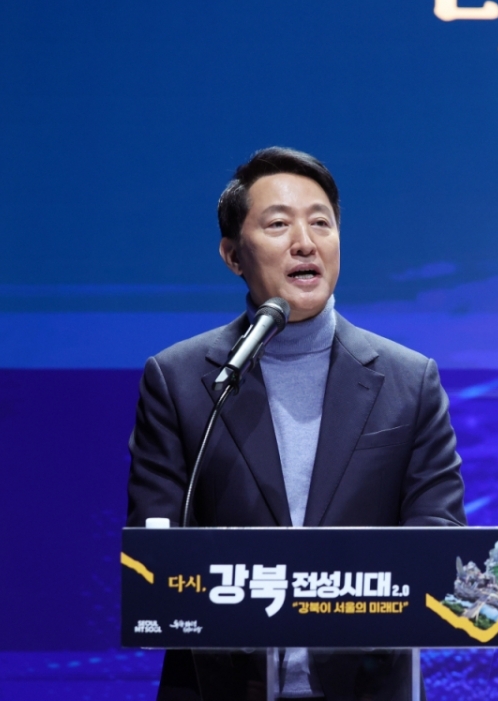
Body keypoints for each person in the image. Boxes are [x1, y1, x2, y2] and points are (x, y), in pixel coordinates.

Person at [127, 147, 467, 701]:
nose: (305, 242)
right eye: (278, 224)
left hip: (368, 686)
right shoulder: (179, 379)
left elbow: (439, 536)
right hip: (221, 687)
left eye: (321, 223)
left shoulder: (410, 380)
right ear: (233, 255)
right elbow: (156, 547)